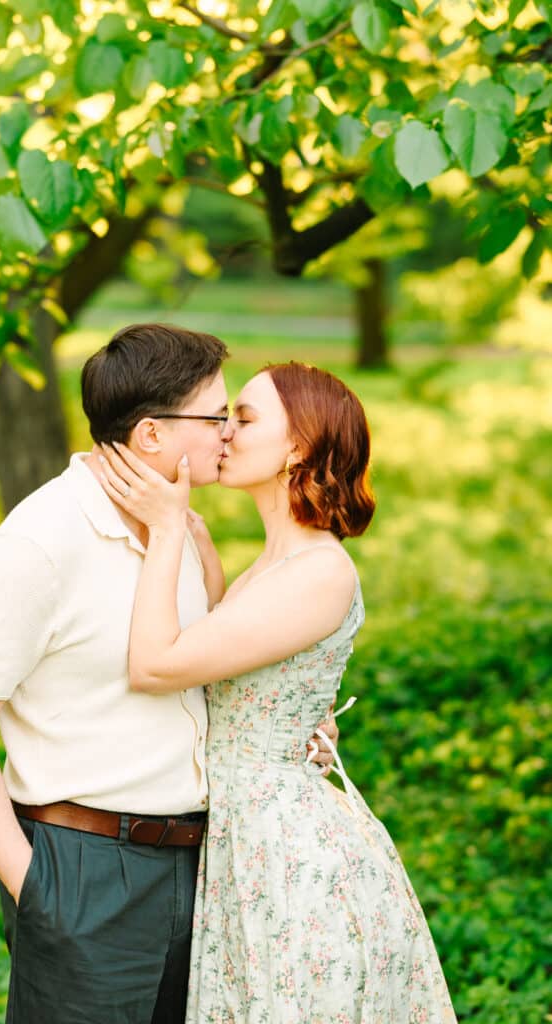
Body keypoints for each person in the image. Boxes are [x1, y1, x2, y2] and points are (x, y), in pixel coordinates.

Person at [0, 325, 339, 1024]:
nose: (228, 434)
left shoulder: (183, 528)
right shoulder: (39, 543)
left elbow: (199, 671)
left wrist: (289, 717)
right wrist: (36, 889)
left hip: (199, 865)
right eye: (215, 416)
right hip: (84, 868)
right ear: (150, 434)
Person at [98, 360, 458, 1024]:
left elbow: (155, 666)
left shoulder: (319, 571)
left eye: (244, 416)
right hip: (244, 844)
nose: (224, 431)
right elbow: (229, 671)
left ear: (297, 446)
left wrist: (169, 531)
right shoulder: (271, 563)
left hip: (291, 857)